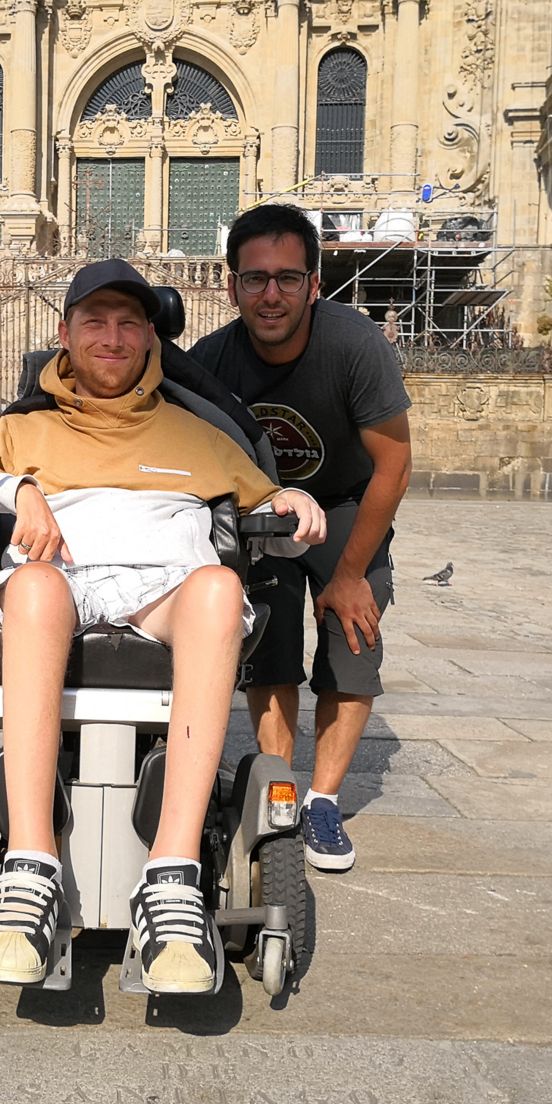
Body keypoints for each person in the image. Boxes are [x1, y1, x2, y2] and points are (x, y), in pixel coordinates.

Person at [0, 259, 325, 994]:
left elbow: (271, 500)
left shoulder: (200, 434)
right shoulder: (23, 426)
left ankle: (172, 878)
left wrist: (299, 497)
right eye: (95, 322)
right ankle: (29, 869)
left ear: (151, 338)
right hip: (61, 582)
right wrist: (20, 489)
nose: (112, 337)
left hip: (165, 588)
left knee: (220, 587)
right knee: (34, 587)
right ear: (65, 334)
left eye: (129, 323)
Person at [189, 203, 413, 875]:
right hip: (265, 508)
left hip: (347, 501)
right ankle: (279, 787)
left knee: (352, 643)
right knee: (269, 641)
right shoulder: (214, 361)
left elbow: (395, 465)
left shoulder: (355, 347)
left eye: (289, 278)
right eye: (255, 279)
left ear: (316, 285)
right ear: (231, 286)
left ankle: (322, 799)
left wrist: (348, 576)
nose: (271, 294)